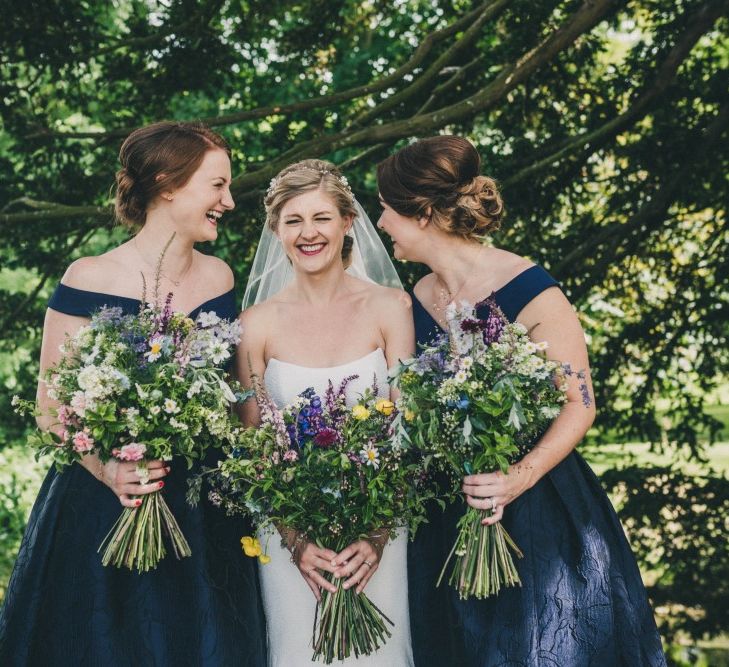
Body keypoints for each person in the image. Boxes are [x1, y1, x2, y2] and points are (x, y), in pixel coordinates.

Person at [376, 135, 667, 667]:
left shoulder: (531, 288)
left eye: (386, 209)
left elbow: (579, 403)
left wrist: (519, 476)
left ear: (420, 213)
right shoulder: (416, 297)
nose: (380, 223)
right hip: (447, 512)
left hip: (535, 508)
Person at [0, 121, 267, 666]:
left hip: (200, 512)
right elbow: (51, 411)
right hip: (102, 504)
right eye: (217, 186)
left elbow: (241, 403)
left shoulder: (220, 278)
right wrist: (109, 469)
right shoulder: (88, 276)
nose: (230, 201)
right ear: (168, 185)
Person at [238, 159, 415, 666]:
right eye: (293, 221)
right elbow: (254, 447)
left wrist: (376, 536)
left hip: (379, 528)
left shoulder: (391, 308)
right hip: (291, 538)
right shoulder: (254, 326)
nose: (308, 233)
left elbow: (406, 432)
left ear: (347, 222)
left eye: (321, 218)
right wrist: (296, 543)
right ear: (276, 230)